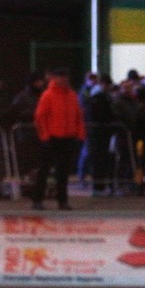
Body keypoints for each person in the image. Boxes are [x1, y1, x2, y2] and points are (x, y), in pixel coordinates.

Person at [30, 70, 86, 210]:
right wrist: (45, 136)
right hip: (53, 138)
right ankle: (38, 199)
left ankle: (62, 200)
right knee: (44, 170)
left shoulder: (72, 95)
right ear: (56, 79)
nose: (65, 80)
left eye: (66, 78)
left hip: (68, 138)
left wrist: (79, 134)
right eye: (62, 78)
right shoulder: (49, 95)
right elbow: (40, 117)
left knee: (63, 172)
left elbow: (78, 116)